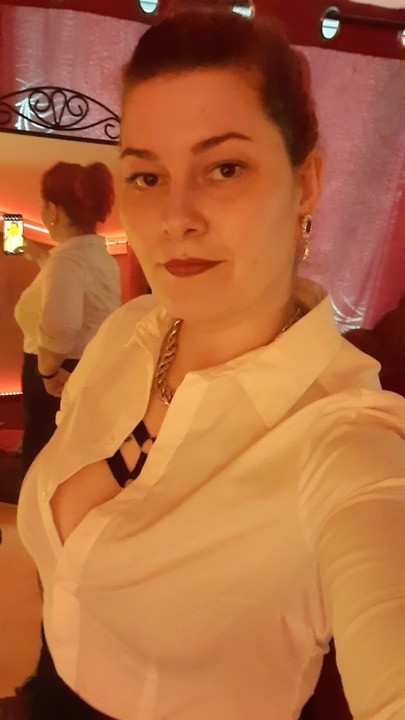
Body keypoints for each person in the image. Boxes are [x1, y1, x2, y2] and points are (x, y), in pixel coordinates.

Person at [16, 10, 404, 720]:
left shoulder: (343, 436)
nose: (175, 216)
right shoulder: (127, 333)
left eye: (224, 168)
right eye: (146, 175)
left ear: (306, 183)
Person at [14, 162, 121, 473]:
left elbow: (62, 327)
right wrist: (37, 255)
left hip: (57, 373)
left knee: (44, 460)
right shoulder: (97, 256)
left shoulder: (67, 262)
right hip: (88, 366)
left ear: (53, 210)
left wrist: (48, 374)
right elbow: (69, 282)